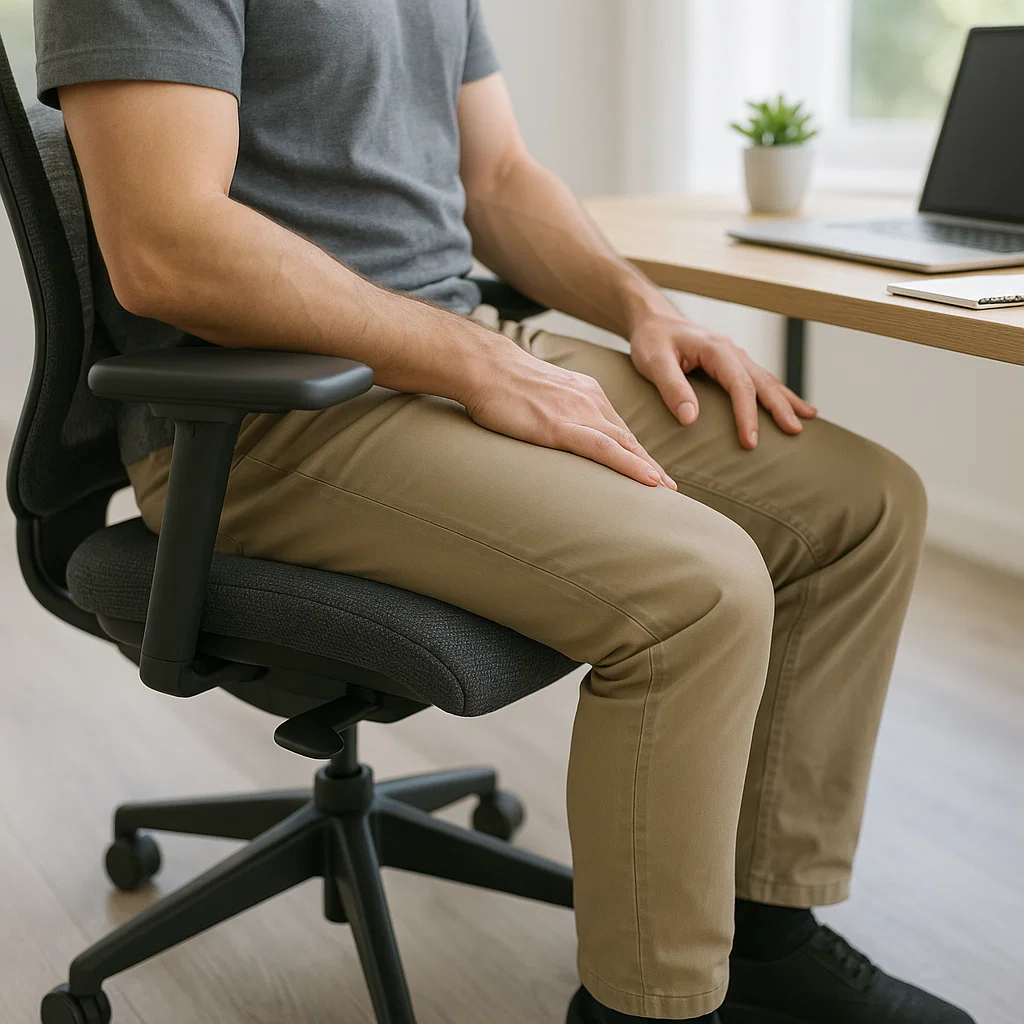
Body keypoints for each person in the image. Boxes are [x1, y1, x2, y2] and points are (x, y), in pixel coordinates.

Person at [35, 1, 974, 1021]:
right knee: (699, 590)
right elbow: (165, 244)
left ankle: (766, 940)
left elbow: (499, 179)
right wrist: (469, 362)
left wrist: (643, 308)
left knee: (862, 506)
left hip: (458, 342)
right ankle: (644, 1006)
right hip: (266, 413)